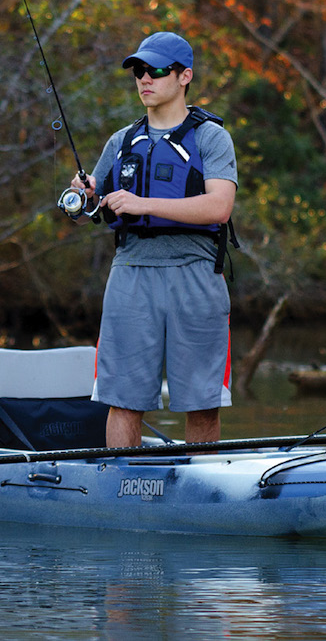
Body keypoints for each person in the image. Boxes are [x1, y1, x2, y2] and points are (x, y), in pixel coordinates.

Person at [71, 31, 238, 447]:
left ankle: (200, 493)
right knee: (122, 398)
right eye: (139, 71)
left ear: (185, 76)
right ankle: (122, 493)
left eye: (157, 71)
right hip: (131, 272)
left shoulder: (211, 137)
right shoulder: (121, 141)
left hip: (196, 273)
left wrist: (144, 203)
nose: (145, 79)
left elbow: (220, 207)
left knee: (201, 401)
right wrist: (87, 193)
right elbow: (94, 210)